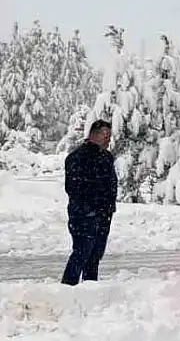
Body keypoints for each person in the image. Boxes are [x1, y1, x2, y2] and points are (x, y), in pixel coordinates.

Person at [61, 120, 118, 285]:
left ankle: (90, 289)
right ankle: (67, 287)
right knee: (81, 252)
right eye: (106, 136)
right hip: (84, 215)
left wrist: (107, 209)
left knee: (95, 255)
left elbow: (110, 184)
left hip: (104, 215)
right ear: (95, 134)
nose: (108, 140)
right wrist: (90, 209)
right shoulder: (77, 157)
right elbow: (73, 187)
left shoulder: (107, 157)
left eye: (109, 136)